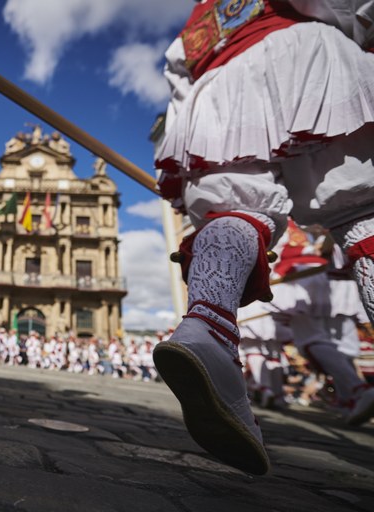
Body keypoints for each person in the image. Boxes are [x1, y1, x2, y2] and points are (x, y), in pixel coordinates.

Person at [153, 0, 374, 475]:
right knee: (363, 210)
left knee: (232, 206)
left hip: (217, 92)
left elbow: (178, 83)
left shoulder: (197, 18)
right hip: (305, 59)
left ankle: (207, 327)